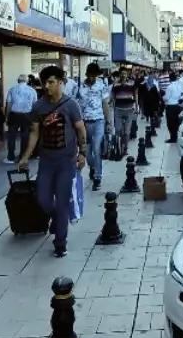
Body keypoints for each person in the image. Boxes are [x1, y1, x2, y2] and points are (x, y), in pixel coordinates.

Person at [18, 65, 87, 257]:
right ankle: (57, 218)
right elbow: (34, 133)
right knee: (43, 199)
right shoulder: (38, 106)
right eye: (44, 83)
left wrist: (83, 153)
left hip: (66, 161)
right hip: (46, 161)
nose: (47, 86)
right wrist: (24, 157)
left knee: (63, 201)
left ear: (60, 83)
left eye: (51, 82)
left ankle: (60, 243)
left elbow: (81, 130)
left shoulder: (71, 105)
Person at [74, 62, 110, 191]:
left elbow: (105, 104)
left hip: (99, 121)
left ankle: (97, 177)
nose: (93, 78)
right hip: (84, 123)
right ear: (87, 74)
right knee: (87, 151)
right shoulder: (80, 87)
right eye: (91, 75)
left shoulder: (101, 86)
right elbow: (76, 106)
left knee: (97, 149)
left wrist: (108, 122)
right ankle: (92, 167)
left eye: (95, 75)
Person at [4, 74, 37, 164]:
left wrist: (7, 117)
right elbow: (35, 105)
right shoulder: (32, 90)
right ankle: (22, 156)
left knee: (12, 136)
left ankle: (10, 156)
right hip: (27, 115)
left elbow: (9, 104)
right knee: (25, 136)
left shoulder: (12, 89)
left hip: (14, 114)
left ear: (18, 80)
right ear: (26, 81)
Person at [111, 69, 139, 147]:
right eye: (122, 73)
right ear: (120, 75)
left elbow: (136, 95)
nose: (123, 75)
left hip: (129, 110)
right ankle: (118, 147)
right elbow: (113, 96)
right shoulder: (115, 85)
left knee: (127, 131)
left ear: (127, 74)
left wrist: (136, 107)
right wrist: (113, 106)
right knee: (118, 130)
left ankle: (125, 147)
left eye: (125, 73)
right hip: (118, 110)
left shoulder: (132, 83)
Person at [163, 69, 183, 143]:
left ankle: (172, 138)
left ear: (170, 79)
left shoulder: (169, 87)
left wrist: (163, 98)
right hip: (177, 106)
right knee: (175, 123)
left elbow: (166, 98)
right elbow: (181, 95)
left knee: (170, 123)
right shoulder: (178, 86)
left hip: (170, 107)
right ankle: (175, 137)